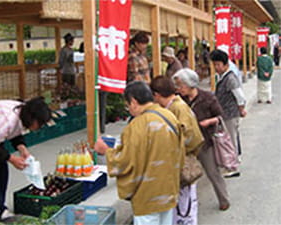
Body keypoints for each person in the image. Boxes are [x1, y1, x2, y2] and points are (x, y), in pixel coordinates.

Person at [94, 81, 184, 225]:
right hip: (169, 188)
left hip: (147, 193)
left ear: (134, 102)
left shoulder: (137, 126)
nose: (129, 109)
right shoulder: (169, 116)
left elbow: (126, 161)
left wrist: (106, 151)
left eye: (128, 105)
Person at [172, 68, 231, 211]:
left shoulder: (207, 98)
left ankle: (224, 199)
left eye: (181, 85)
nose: (179, 89)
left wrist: (208, 122)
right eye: (177, 86)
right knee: (186, 174)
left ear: (190, 84)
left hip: (205, 141)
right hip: (187, 143)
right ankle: (185, 207)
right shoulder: (180, 100)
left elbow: (219, 116)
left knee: (212, 172)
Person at [150, 75, 204, 224]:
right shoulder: (174, 106)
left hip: (181, 162)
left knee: (184, 208)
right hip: (176, 162)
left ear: (157, 95)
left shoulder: (178, 108)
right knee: (180, 206)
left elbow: (190, 137)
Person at [210, 49, 246, 174]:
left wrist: (241, 109)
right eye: (214, 64)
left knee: (230, 140)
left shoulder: (230, 78)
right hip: (225, 113)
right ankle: (231, 162)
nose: (216, 67)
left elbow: (239, 96)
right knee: (229, 139)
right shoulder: (222, 77)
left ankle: (233, 167)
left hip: (230, 113)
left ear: (226, 65)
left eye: (218, 65)